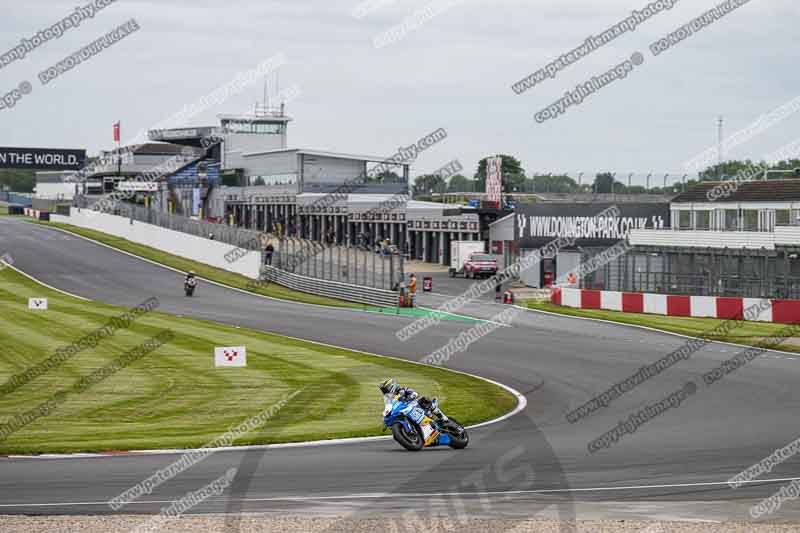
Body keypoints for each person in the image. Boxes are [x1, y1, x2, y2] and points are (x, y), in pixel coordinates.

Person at [379, 378, 449, 422]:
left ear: (391, 387)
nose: (384, 392)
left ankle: (442, 416)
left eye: (385, 390)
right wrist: (386, 414)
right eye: (383, 390)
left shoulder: (403, 389)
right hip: (405, 410)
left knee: (424, 399)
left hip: (415, 404)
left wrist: (408, 398)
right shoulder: (389, 398)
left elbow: (415, 393)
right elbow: (388, 406)